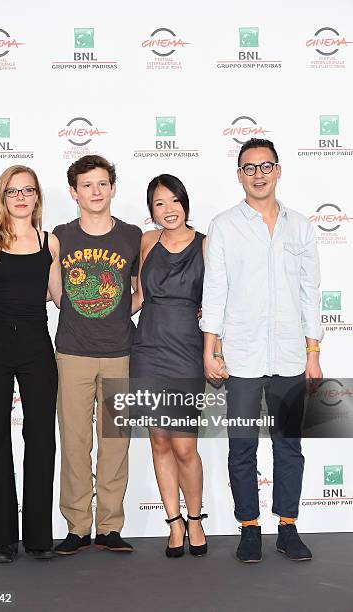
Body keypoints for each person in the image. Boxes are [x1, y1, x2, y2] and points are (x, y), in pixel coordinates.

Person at [200, 138, 323, 562]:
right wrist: (210, 348)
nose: (258, 174)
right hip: (242, 356)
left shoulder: (302, 226)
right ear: (239, 175)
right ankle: (249, 527)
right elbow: (215, 291)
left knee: (289, 445)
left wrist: (313, 352)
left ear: (278, 170)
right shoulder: (223, 226)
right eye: (249, 167)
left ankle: (287, 526)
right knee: (242, 447)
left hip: (290, 355)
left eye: (265, 166)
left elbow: (310, 293)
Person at [0, 165, 62, 563]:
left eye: (28, 191)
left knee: (40, 438)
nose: (21, 197)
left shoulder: (49, 241)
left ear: (37, 197)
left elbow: (57, 296)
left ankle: (38, 537)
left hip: (38, 343)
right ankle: (3, 536)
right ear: (2, 197)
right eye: (13, 191)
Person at [130, 174, 226, 558]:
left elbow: (218, 305)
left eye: (174, 201)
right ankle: (173, 522)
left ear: (185, 203)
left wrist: (215, 350)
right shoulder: (146, 242)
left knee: (185, 445)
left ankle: (196, 519)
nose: (168, 210)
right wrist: (94, 314)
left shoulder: (206, 245)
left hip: (187, 347)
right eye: (159, 203)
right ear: (151, 210)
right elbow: (137, 296)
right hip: (148, 345)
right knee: (159, 440)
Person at [53, 155, 142, 555]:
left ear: (113, 188)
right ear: (74, 192)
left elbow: (139, 288)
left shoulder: (132, 236)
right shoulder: (59, 236)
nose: (95, 191)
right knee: (74, 443)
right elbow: (53, 290)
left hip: (120, 352)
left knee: (115, 442)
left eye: (102, 183)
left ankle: (109, 526)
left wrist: (125, 308)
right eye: (86, 185)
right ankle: (77, 526)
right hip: (71, 353)